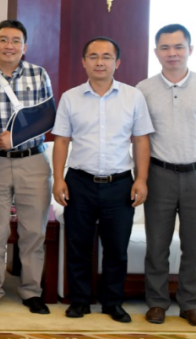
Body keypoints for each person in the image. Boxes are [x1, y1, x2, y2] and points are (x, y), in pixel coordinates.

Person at [52, 37, 153, 323]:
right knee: (78, 246)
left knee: (116, 248)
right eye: (93, 56)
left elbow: (141, 140)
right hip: (79, 182)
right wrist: (58, 179)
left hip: (119, 183)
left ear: (117, 63)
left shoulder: (133, 97)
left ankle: (113, 302)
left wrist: (141, 179)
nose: (100, 62)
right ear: (83, 62)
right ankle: (79, 301)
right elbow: (61, 141)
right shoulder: (70, 97)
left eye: (106, 57)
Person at [137, 24, 196, 327]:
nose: (172, 53)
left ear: (190, 49)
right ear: (156, 52)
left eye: (178, 47)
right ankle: (157, 303)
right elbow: (140, 138)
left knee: (195, 246)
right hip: (159, 174)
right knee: (157, 245)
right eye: (165, 47)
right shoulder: (143, 89)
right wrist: (141, 177)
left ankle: (190, 304)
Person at [0, 19, 55, 315]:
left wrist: (17, 137)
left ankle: (31, 291)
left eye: (16, 41)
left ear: (24, 47)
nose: (10, 46)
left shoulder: (38, 74)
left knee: (33, 232)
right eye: (4, 40)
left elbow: (48, 117)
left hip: (33, 161)